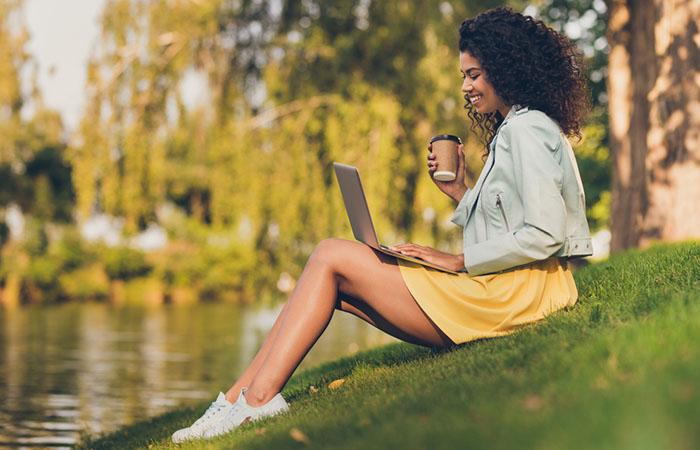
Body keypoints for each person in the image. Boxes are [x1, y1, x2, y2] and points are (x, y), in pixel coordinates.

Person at [171, 6, 592, 443]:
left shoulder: (527, 130)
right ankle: (237, 400)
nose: (466, 87)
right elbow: (510, 226)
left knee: (332, 254)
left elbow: (545, 233)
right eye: (464, 76)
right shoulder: (512, 129)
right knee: (330, 274)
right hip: (506, 291)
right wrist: (461, 194)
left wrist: (457, 260)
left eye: (475, 75)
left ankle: (257, 403)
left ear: (506, 68)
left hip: (516, 298)